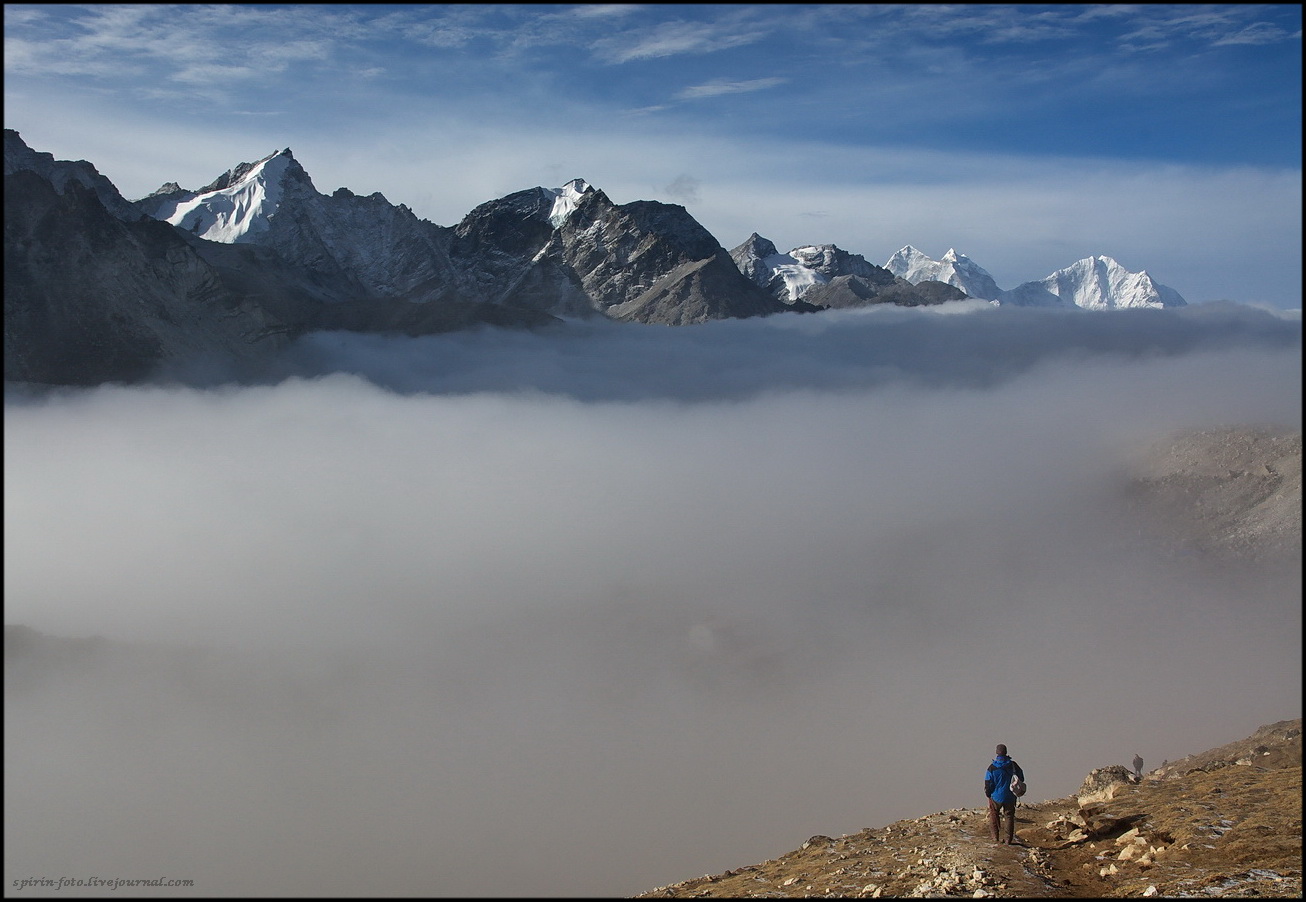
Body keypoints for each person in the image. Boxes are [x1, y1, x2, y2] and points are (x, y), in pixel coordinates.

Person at [984, 743, 1025, 844]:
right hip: (1010, 796)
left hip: (996, 796)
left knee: (994, 815)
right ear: (1006, 752)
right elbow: (1021, 778)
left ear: (996, 753)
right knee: (1009, 816)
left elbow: (988, 783)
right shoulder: (1013, 765)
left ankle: (995, 837)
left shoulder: (991, 768)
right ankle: (1008, 840)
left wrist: (989, 794)